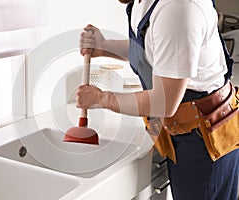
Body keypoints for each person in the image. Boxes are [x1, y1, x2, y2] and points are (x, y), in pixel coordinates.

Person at [76, 0, 239, 199]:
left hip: (204, 140)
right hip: (182, 131)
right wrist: (104, 47)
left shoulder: (178, 9)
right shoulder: (143, 3)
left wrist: (102, 98)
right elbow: (156, 49)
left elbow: (164, 102)